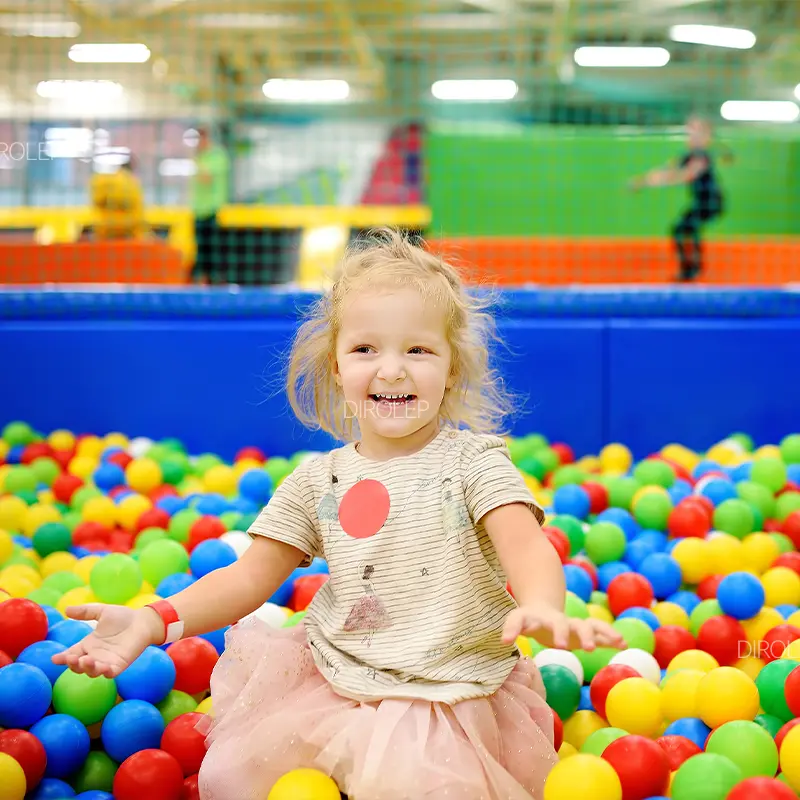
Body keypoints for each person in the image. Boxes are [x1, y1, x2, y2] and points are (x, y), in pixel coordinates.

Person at [52, 228, 625, 800]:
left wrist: (543, 605)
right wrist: (154, 620)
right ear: (336, 366)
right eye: (365, 349)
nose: (392, 369)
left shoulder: (474, 464)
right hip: (335, 681)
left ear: (452, 367)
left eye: (418, 349)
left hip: (446, 692)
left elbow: (524, 546)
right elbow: (250, 577)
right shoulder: (318, 479)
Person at [630, 115, 732, 282]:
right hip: (700, 202)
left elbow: (687, 175)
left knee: (684, 228)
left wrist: (660, 181)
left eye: (696, 132)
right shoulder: (688, 155)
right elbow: (667, 170)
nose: (691, 136)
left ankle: (692, 269)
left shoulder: (701, 156)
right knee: (684, 229)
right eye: (690, 132)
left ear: (706, 137)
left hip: (711, 202)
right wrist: (642, 182)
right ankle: (692, 268)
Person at [189, 126, 230, 284]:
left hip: (214, 210)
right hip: (199, 210)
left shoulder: (217, 156)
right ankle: (204, 282)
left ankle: (217, 282)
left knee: (215, 251)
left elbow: (206, 178)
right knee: (201, 251)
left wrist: (198, 162)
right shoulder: (200, 157)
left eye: (201, 139)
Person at [89, 154, 149, 241]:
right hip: (130, 229)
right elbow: (137, 207)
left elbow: (97, 201)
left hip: (103, 228)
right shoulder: (131, 182)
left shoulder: (100, 180)